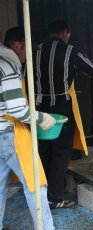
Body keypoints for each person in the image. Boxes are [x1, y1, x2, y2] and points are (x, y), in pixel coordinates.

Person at [34, 19, 93, 209]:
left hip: (38, 108)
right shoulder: (69, 51)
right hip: (60, 107)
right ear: (65, 32)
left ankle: (41, 192)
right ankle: (54, 198)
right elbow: (92, 68)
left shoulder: (35, 50)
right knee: (61, 152)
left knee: (44, 150)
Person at [0, 27, 55, 229]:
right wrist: (41, 118)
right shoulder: (7, 64)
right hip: (8, 134)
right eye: (28, 51)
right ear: (17, 45)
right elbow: (16, 109)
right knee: (36, 184)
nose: (28, 57)